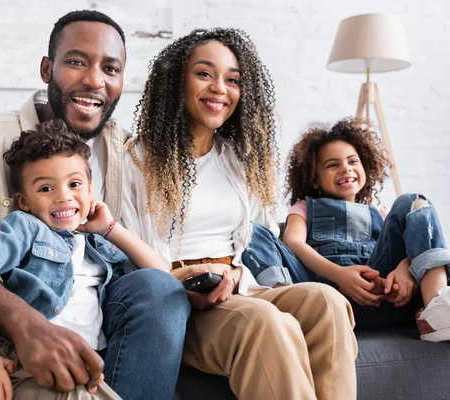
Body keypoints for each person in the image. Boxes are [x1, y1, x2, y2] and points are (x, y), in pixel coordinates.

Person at [0, 10, 190, 400]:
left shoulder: (133, 153)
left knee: (159, 291)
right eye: (77, 61)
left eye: (110, 68)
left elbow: (154, 265)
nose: (94, 80)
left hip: (96, 307)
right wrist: (25, 326)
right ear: (47, 68)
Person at [121, 27, 358, 400]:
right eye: (204, 73)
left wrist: (229, 276)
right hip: (178, 301)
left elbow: (258, 237)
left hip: (235, 286)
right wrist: (187, 278)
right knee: (266, 323)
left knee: (326, 302)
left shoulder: (236, 161)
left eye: (232, 80)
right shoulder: (134, 160)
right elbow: (125, 256)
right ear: (175, 81)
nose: (220, 88)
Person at [0, 120, 170, 399]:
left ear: (90, 190)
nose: (63, 197)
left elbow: (162, 279)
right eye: (46, 189)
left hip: (82, 367)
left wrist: (111, 229)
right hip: (30, 365)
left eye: (74, 184)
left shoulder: (95, 245)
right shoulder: (26, 229)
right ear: (24, 201)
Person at [246, 117, 450, 340]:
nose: (345, 168)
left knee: (414, 202)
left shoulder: (382, 213)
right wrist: (340, 276)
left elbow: (409, 246)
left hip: (379, 296)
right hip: (324, 298)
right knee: (250, 229)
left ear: (366, 168)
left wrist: (405, 267)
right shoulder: (304, 207)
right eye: (332, 165)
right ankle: (282, 306)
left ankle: (436, 310)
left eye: (353, 161)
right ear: (314, 179)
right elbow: (293, 243)